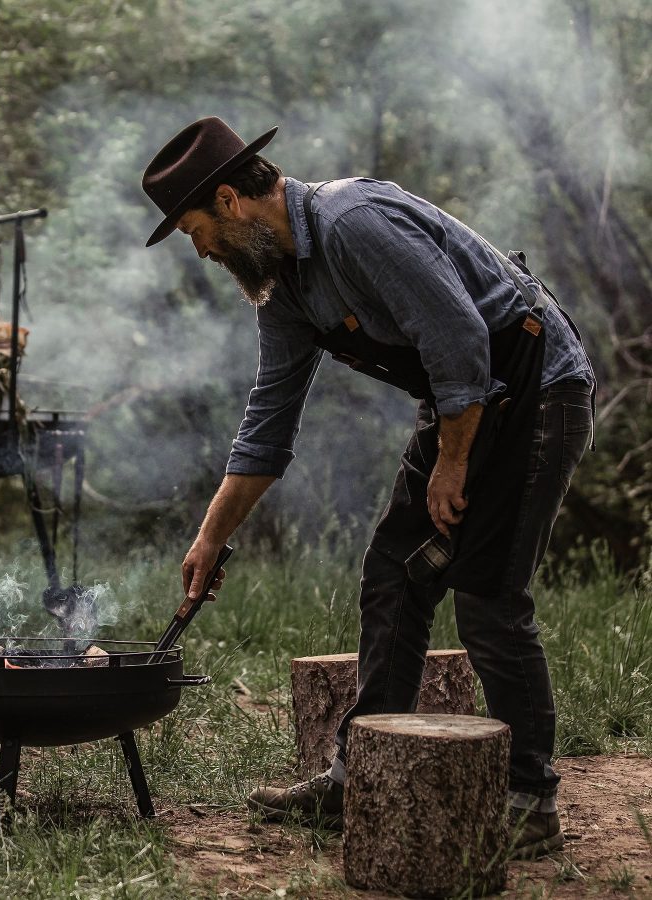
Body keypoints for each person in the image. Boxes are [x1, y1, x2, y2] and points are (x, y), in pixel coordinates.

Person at [141, 116, 594, 859]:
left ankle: (530, 799)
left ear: (229, 201)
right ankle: (361, 774)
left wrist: (452, 466)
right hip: (466, 401)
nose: (202, 253)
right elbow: (269, 422)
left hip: (536, 387)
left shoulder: (355, 223)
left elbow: (458, 338)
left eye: (195, 232)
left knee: (486, 595)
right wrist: (211, 536)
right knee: (394, 572)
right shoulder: (284, 285)